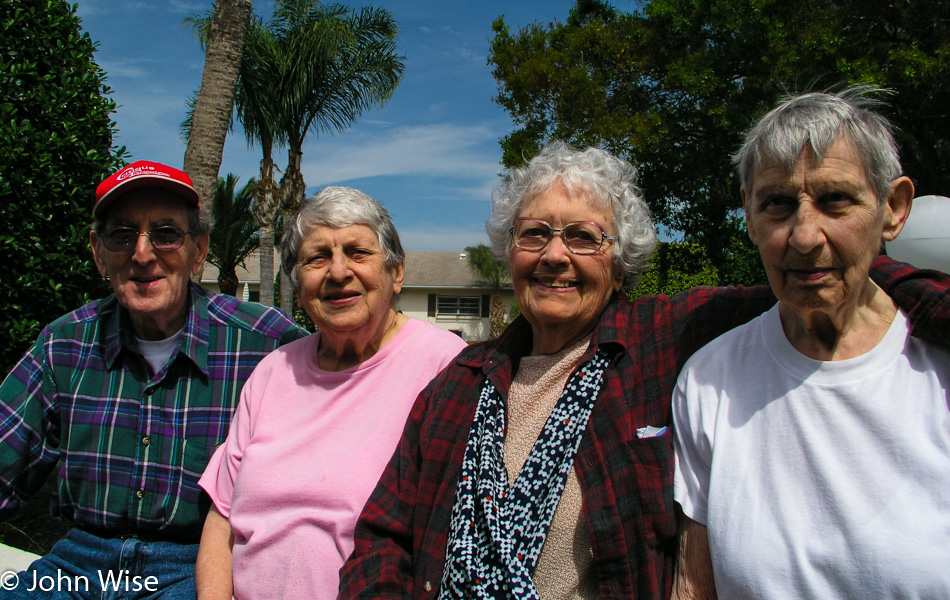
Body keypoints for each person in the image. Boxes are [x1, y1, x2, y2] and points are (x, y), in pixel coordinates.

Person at [336, 141, 948, 599]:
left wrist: (920, 296)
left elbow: (810, 274)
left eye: (583, 237)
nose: (555, 255)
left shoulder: (661, 341)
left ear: (620, 262)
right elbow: (383, 536)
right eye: (536, 234)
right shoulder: (458, 382)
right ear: (509, 250)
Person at [671, 89, 950, 599]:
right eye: (777, 204)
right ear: (750, 216)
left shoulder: (939, 369)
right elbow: (693, 587)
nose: (804, 237)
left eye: (835, 200)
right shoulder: (711, 380)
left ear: (893, 208)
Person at [0, 161, 307, 598]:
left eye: (166, 233)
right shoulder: (64, 343)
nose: (143, 254)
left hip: (196, 564)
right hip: (77, 564)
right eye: (123, 235)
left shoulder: (268, 344)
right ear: (97, 251)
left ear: (199, 250)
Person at [195, 187, 468, 600]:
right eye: (317, 258)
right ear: (298, 284)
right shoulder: (273, 371)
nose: (338, 272)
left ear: (397, 273)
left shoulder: (445, 365)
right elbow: (221, 520)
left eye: (358, 252)